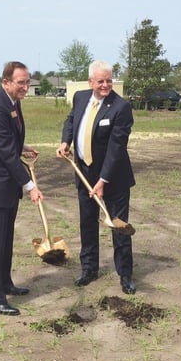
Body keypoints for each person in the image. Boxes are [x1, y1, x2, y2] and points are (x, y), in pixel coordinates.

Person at [56, 60, 136, 294]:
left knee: (119, 227)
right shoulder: (81, 98)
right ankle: (89, 269)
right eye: (100, 81)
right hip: (84, 175)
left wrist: (103, 181)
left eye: (109, 80)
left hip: (113, 179)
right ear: (90, 82)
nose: (105, 85)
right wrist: (65, 141)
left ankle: (125, 275)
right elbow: (71, 120)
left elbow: (116, 148)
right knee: (87, 224)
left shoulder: (121, 108)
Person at [0, 61, 43, 316]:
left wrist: (22, 146)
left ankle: (4, 283)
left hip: (6, 187)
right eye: (20, 82)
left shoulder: (13, 102)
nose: (25, 87)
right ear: (5, 82)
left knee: (5, 240)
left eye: (27, 81)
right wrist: (30, 185)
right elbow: (5, 154)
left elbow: (8, 141)